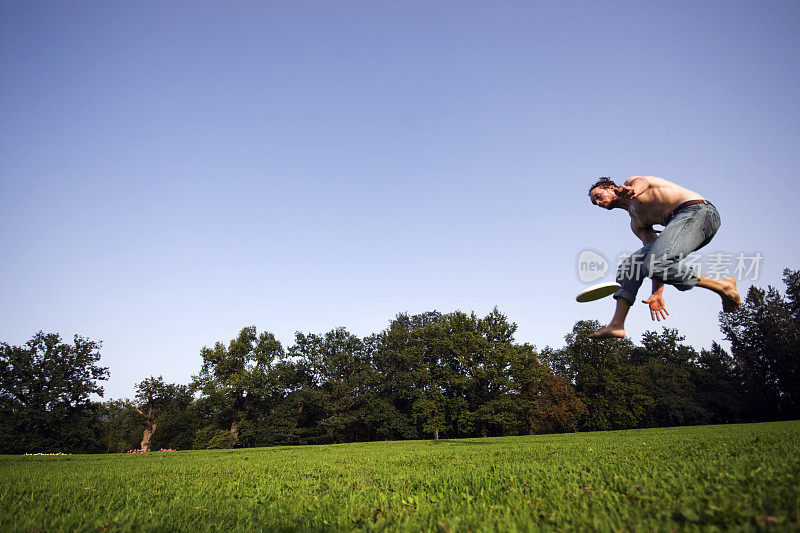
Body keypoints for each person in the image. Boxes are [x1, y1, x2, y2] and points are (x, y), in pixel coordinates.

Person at [586, 175, 740, 339]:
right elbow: (656, 257)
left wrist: (634, 190)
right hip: (681, 231)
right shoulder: (637, 224)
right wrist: (657, 293)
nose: (597, 203)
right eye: (594, 202)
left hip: (699, 213)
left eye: (597, 197)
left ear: (610, 188)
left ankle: (723, 286)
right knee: (630, 266)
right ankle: (617, 325)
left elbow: (643, 183)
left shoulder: (632, 183)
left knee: (655, 263)